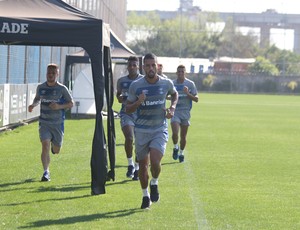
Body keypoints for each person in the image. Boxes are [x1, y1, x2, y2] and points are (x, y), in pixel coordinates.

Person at [126, 53, 178, 209]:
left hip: (159, 129)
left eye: (153, 65)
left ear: (157, 65)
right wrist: (138, 102)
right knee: (142, 167)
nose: (150, 68)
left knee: (155, 161)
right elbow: (128, 109)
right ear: (143, 67)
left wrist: (172, 108)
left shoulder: (166, 83)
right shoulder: (136, 85)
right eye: (147, 65)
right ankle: (145, 195)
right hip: (141, 131)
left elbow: (174, 94)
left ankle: (154, 182)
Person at [28, 63, 74, 182]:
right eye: (49, 73)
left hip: (57, 123)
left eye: (53, 73)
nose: (51, 75)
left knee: (56, 150)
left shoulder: (62, 88)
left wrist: (59, 106)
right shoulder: (41, 87)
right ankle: (46, 172)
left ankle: (55, 147)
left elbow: (71, 103)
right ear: (46, 74)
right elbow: (38, 98)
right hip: (44, 122)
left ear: (57, 74)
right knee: (45, 145)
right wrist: (33, 105)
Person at [116, 56, 143, 180]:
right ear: (127, 67)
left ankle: (137, 168)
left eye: (134, 65)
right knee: (129, 137)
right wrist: (120, 97)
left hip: (141, 114)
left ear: (138, 66)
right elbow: (118, 95)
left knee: (139, 143)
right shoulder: (121, 81)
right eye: (130, 65)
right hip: (126, 113)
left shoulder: (143, 80)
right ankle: (130, 164)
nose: (132, 67)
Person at [171, 64, 198, 163]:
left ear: (185, 73)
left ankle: (181, 153)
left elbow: (196, 99)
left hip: (186, 113)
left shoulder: (190, 84)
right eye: (179, 72)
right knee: (175, 132)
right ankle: (175, 147)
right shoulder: (172, 84)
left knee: (183, 137)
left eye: (182, 71)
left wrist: (187, 94)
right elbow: (169, 95)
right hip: (176, 111)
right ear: (176, 73)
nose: (181, 73)